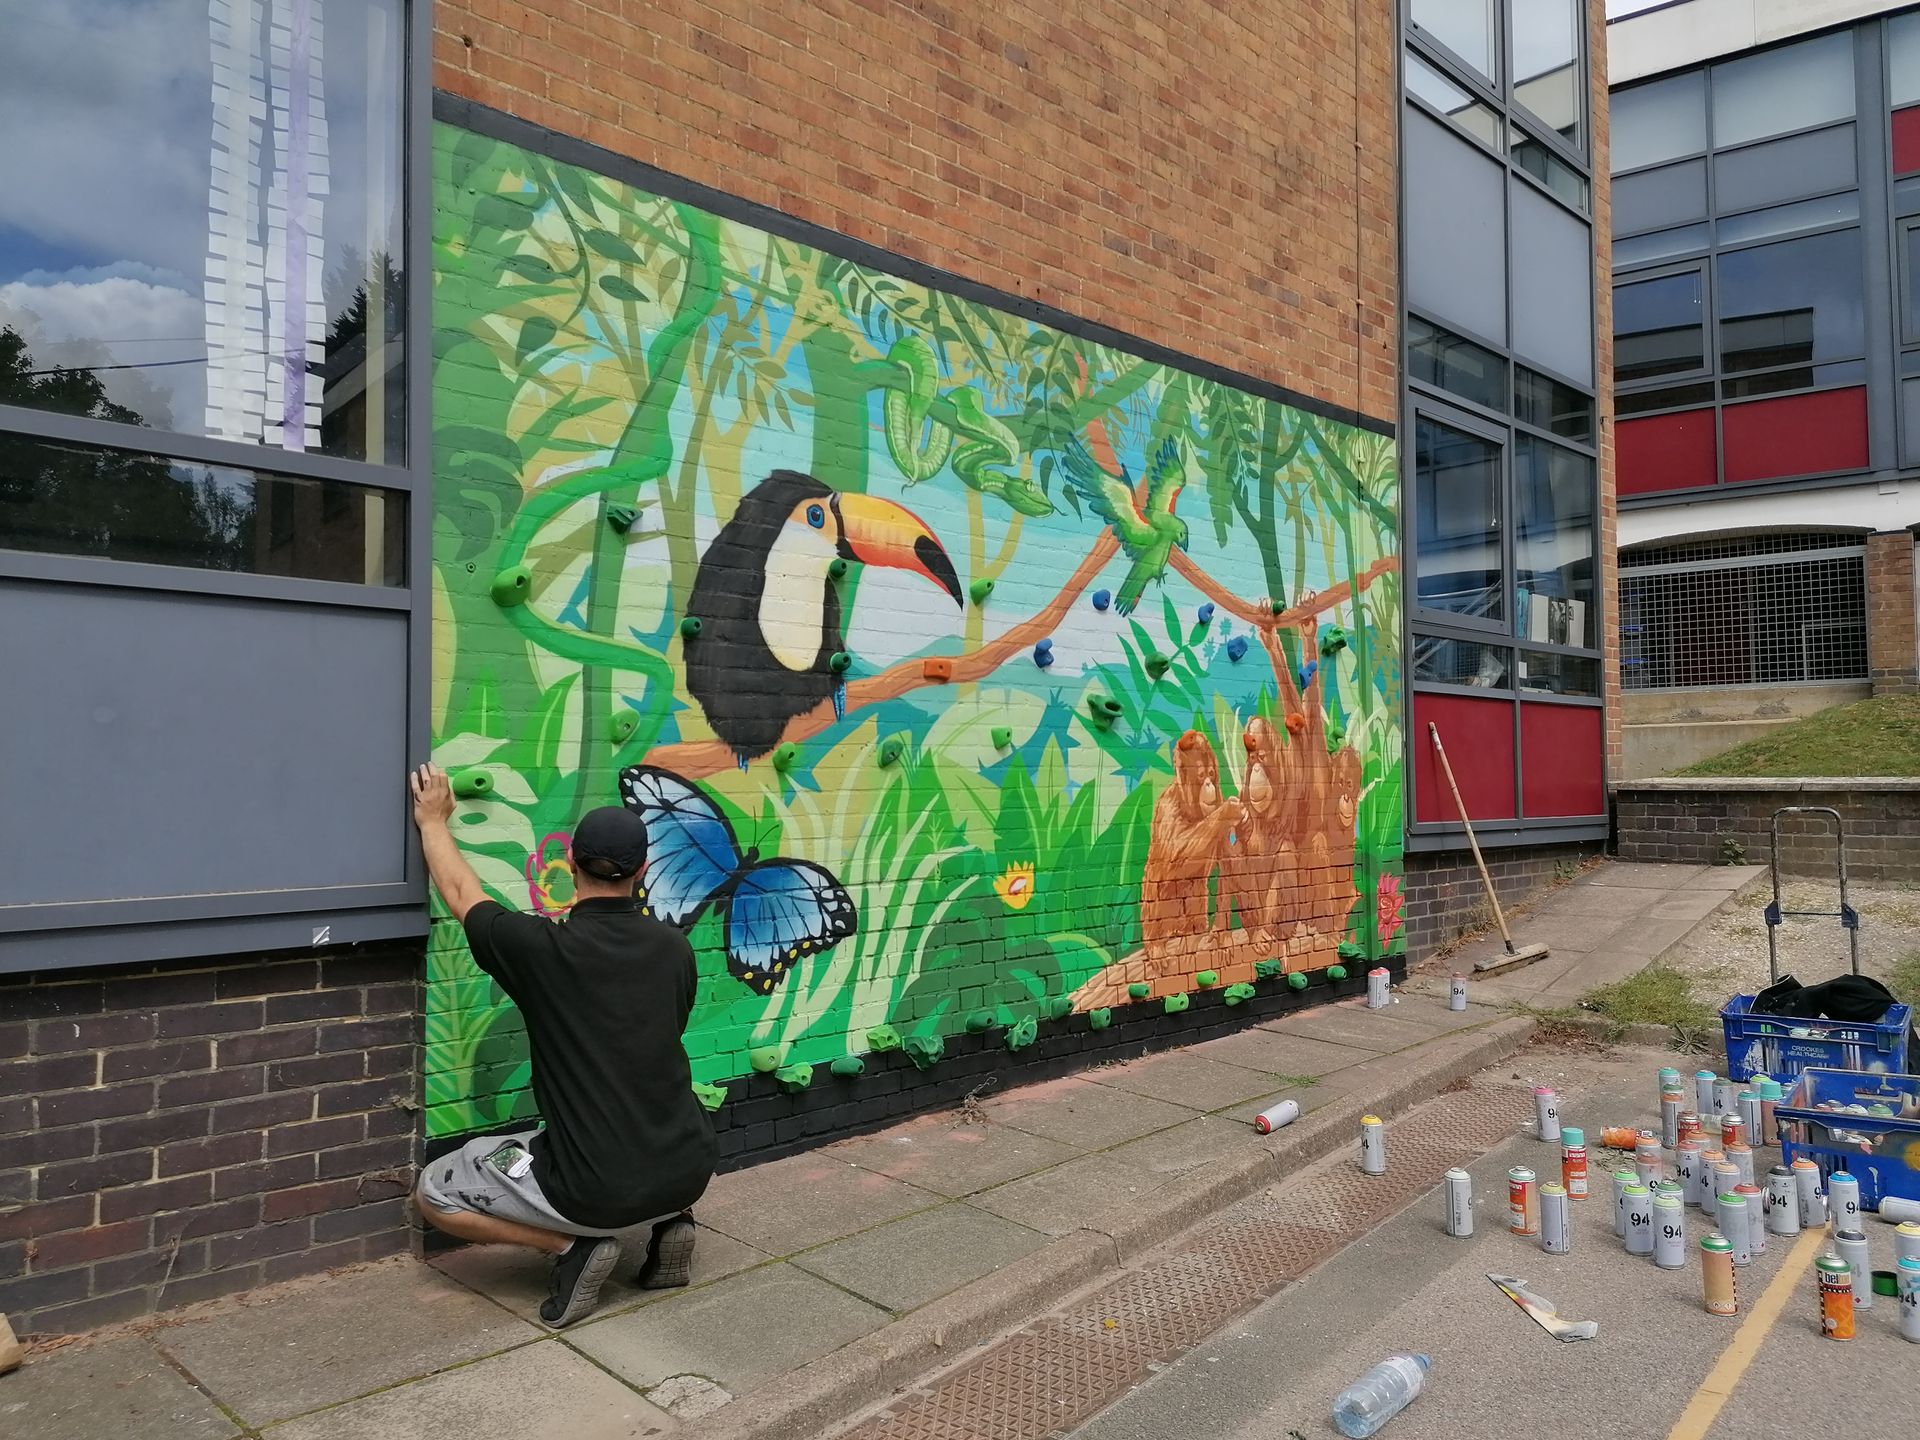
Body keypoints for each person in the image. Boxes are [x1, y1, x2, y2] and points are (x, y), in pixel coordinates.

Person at [407, 763, 719, 1328]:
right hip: (690, 1163)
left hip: (593, 1187)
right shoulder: (676, 950)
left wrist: (433, 820)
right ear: (642, 870)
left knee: (435, 1192)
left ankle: (571, 1249)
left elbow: (460, 892)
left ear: (570, 864)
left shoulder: (540, 950)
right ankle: (672, 1220)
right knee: (629, 1137)